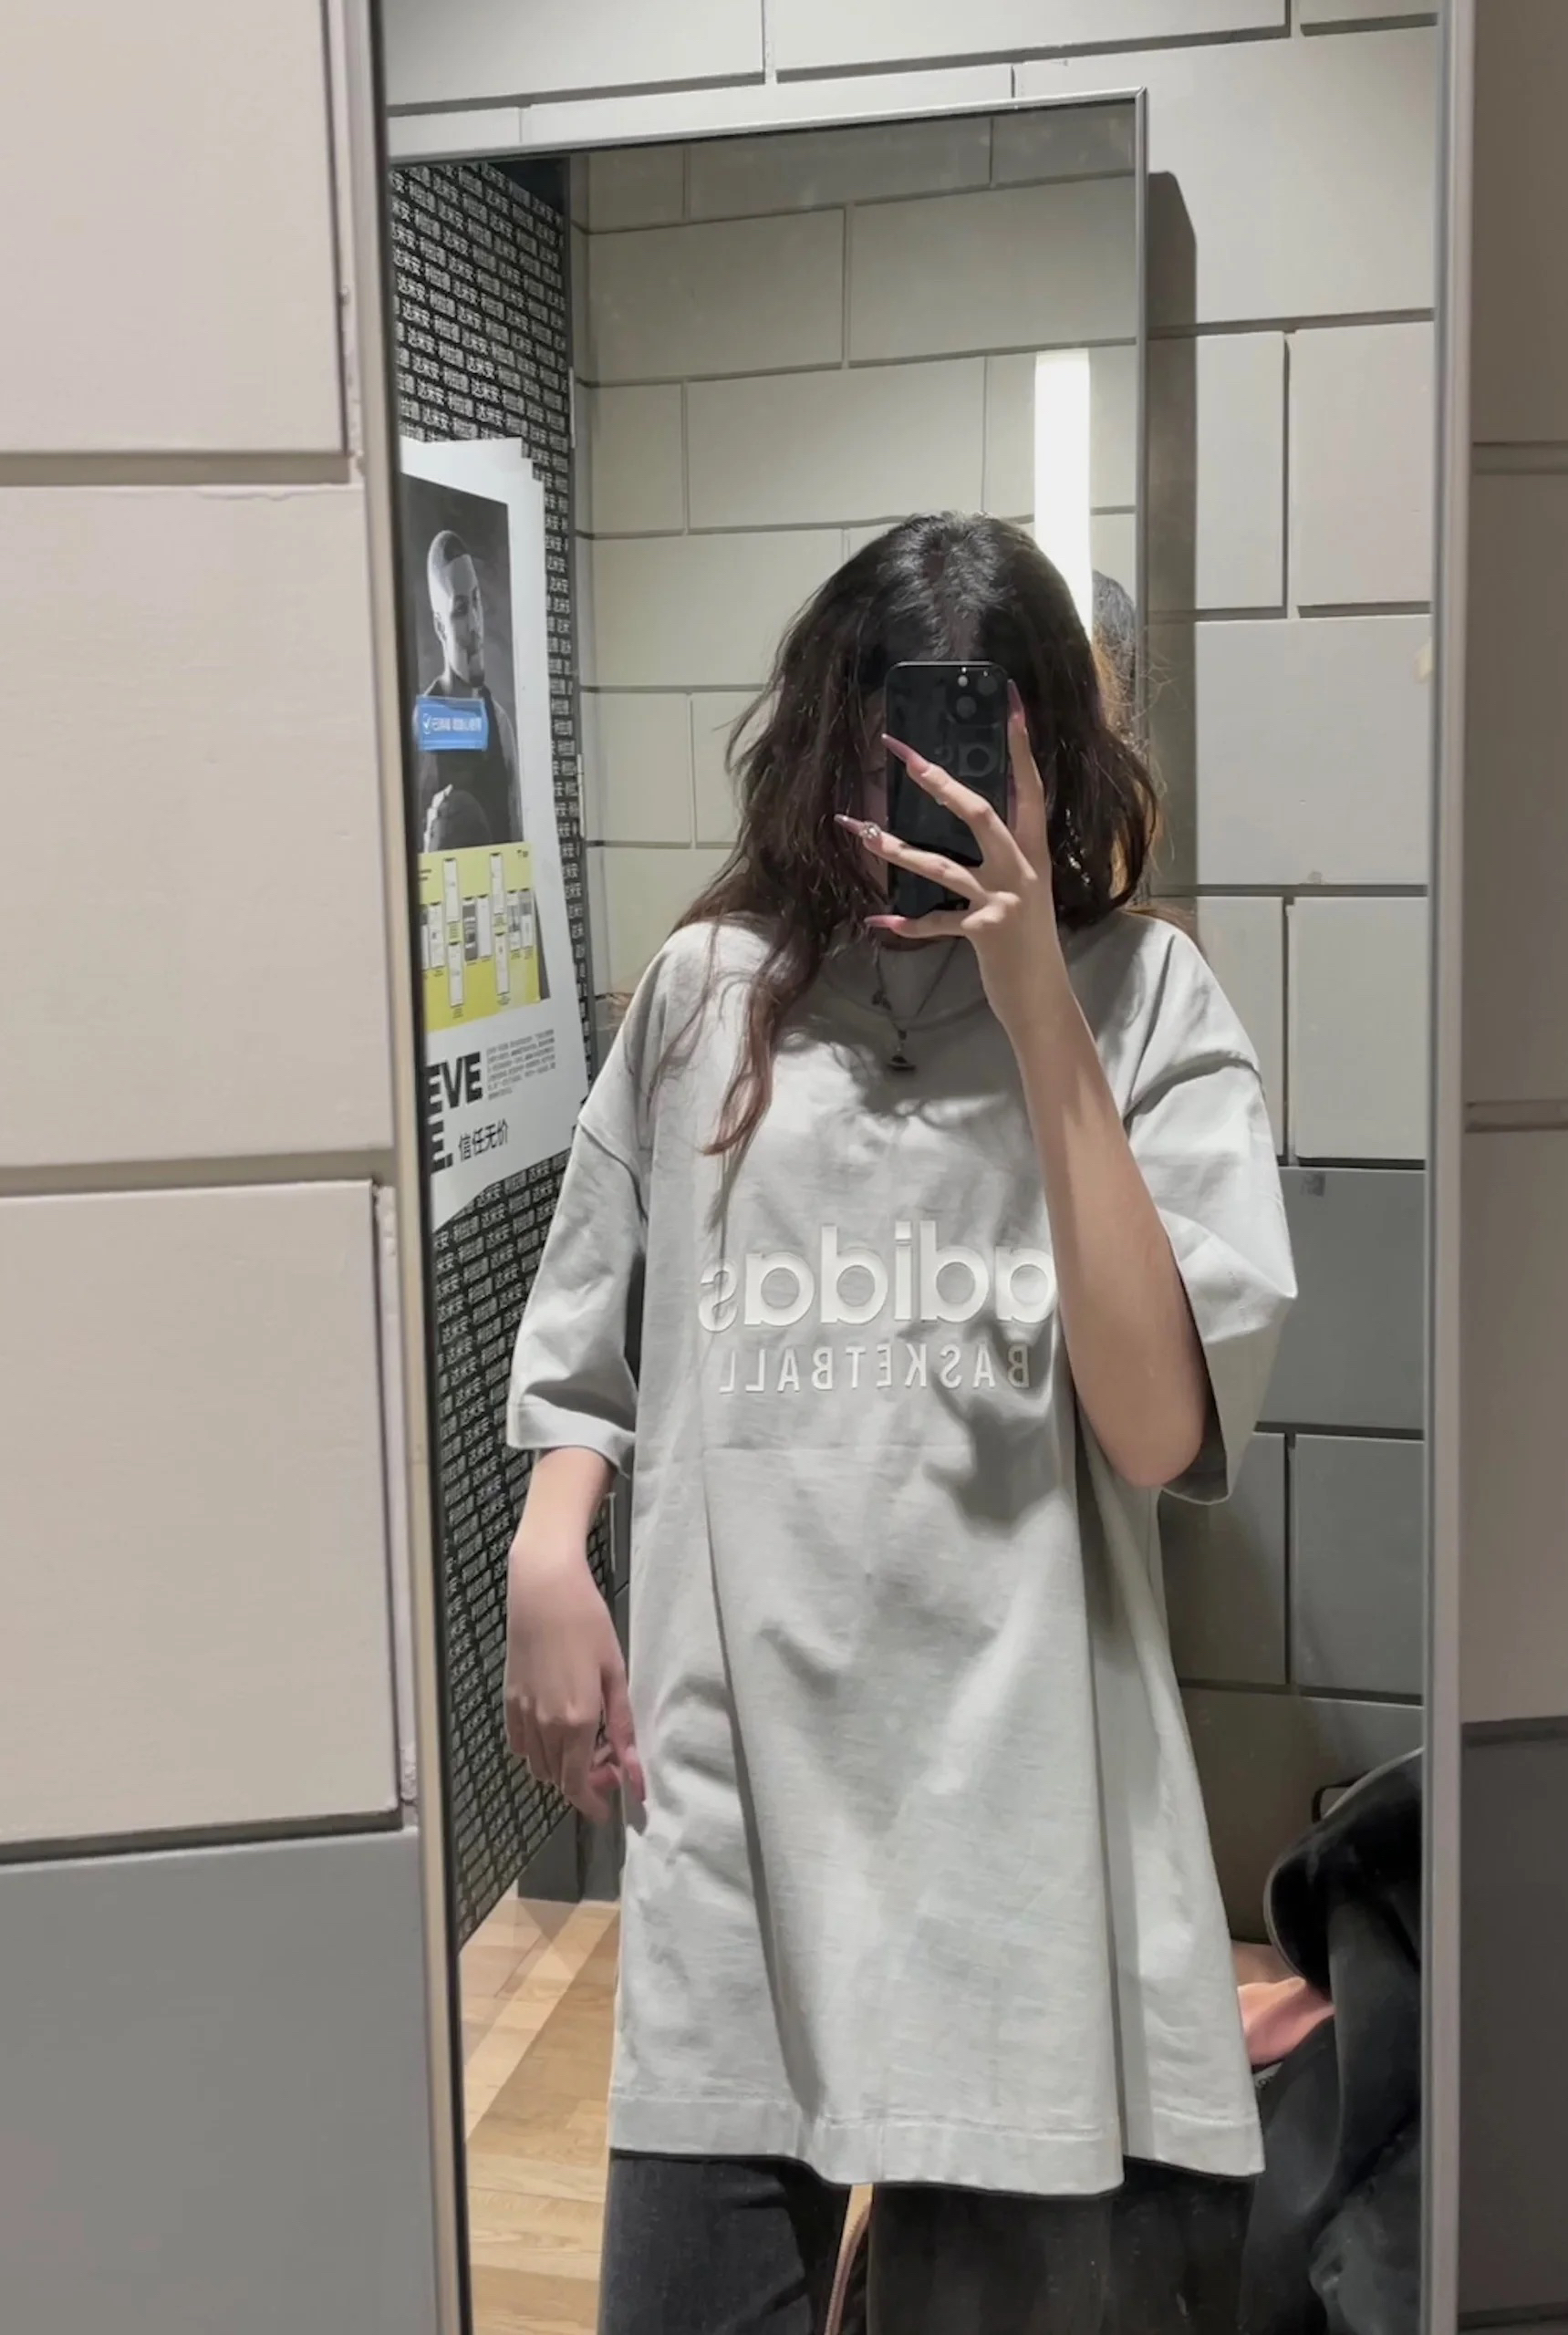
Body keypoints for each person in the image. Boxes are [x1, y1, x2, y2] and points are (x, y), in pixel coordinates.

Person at [503, 513, 1296, 2334]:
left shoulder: (1144, 1000)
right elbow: (593, 1312)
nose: (919, 793)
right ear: (824, 741)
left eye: (970, 749)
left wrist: (1036, 1003)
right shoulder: (710, 993)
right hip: (733, 1811)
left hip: (1023, 1838)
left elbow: (1158, 1425)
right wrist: (553, 1543)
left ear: (1049, 757)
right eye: (889, 744)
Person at [414, 527, 524, 850]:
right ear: (440, 626)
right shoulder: (423, 725)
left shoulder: (499, 723)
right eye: (460, 609)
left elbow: (516, 834)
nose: (475, 625)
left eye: (476, 601)